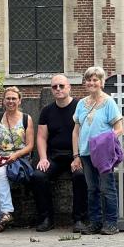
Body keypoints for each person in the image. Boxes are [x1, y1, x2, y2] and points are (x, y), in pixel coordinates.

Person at [71, 66, 124, 235]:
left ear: (101, 82)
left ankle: (111, 223)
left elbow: (119, 128)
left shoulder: (109, 102)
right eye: (89, 80)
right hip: (86, 153)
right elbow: (76, 131)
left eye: (95, 80)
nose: (91, 83)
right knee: (92, 188)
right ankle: (95, 222)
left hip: (102, 154)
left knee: (107, 188)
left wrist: (105, 142)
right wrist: (76, 155)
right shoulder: (81, 103)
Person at [33, 74, 86, 232]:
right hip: (55, 157)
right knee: (38, 176)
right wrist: (43, 158)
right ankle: (46, 219)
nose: (58, 89)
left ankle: (79, 220)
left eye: (61, 86)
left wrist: (79, 158)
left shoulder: (80, 107)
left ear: (69, 87)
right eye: (55, 87)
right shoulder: (47, 111)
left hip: (76, 155)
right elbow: (41, 137)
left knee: (80, 176)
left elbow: (86, 133)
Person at [0, 86, 34, 233]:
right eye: (8, 98)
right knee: (0, 172)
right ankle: (6, 214)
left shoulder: (26, 119)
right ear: (3, 101)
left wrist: (15, 155)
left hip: (18, 158)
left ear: (19, 101)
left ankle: (0, 218)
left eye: (14, 98)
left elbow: (30, 145)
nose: (11, 101)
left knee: (0, 174)